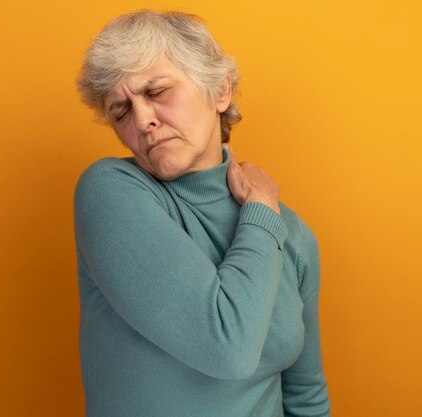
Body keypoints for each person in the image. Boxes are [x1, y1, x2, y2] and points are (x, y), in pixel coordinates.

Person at [73, 10, 330, 417]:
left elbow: (306, 395)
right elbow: (227, 347)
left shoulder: (294, 236)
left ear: (220, 91)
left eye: (156, 92)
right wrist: (261, 211)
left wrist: (264, 219)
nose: (143, 120)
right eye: (121, 112)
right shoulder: (110, 193)